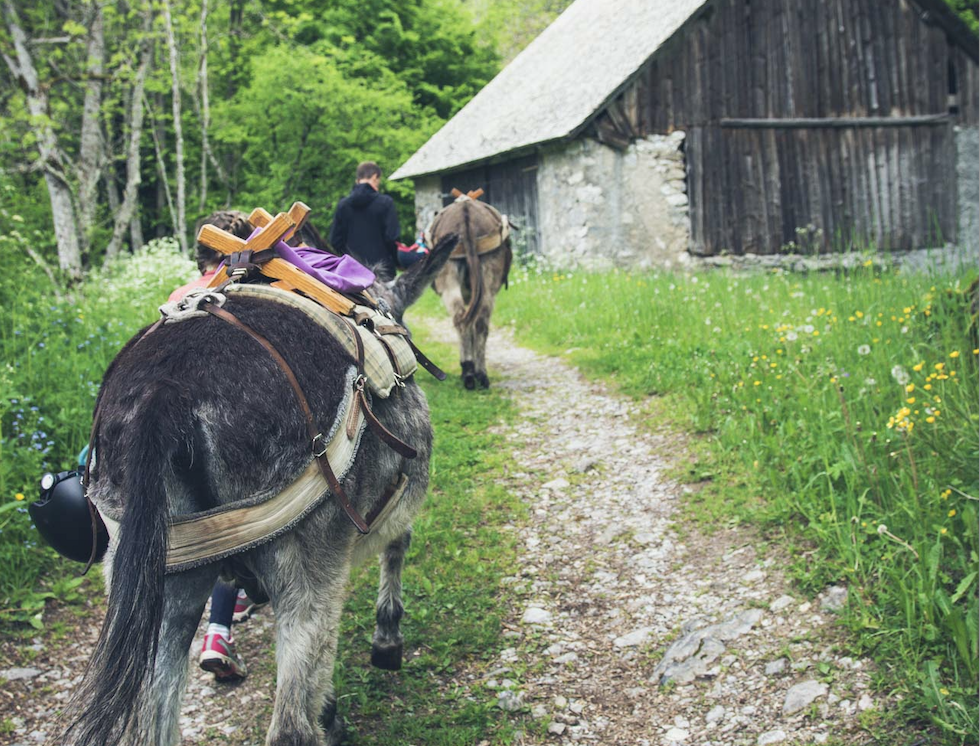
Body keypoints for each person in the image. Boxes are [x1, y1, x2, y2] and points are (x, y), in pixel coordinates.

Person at [329, 161, 400, 281]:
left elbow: (335, 241)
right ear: (374, 177)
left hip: (352, 273)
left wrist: (349, 259)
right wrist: (397, 261)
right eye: (378, 181)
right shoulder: (386, 203)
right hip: (383, 273)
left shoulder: (343, 206)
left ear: (357, 180)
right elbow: (392, 238)